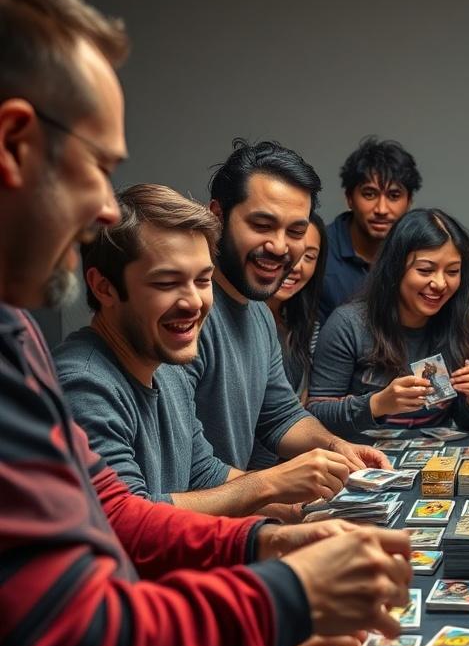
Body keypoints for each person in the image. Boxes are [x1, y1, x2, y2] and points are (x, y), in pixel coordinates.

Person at [0, 0, 411, 646]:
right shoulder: (74, 365)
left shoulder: (16, 331)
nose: (102, 210)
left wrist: (260, 547)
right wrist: (283, 594)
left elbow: (117, 515)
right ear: (14, 143)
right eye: (97, 168)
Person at [55, 184, 346, 519]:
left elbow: (205, 475)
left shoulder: (168, 369)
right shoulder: (84, 383)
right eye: (166, 283)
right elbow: (126, 519)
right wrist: (271, 484)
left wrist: (310, 512)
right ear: (103, 287)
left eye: (203, 280)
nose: (194, 302)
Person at [188, 138, 390, 472]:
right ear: (217, 217)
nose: (280, 247)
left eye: (296, 231)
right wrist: (279, 495)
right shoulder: (187, 315)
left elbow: (281, 415)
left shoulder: (258, 313)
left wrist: (337, 447)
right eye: (262, 225)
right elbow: (190, 471)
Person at [309, 208, 469, 436]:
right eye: (425, 270)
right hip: (361, 459)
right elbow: (316, 414)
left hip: (434, 461)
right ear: (395, 269)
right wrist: (377, 404)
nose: (441, 283)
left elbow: (467, 422)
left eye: (453, 271)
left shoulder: (458, 323)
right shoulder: (348, 324)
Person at [319, 136, 421, 321]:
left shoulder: (419, 253)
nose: (381, 209)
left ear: (409, 202)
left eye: (394, 195)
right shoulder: (318, 250)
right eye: (369, 194)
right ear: (349, 198)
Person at [267, 210, 327, 400]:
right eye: (289, 250)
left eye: (308, 257)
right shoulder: (238, 318)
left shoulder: (307, 325)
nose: (297, 266)